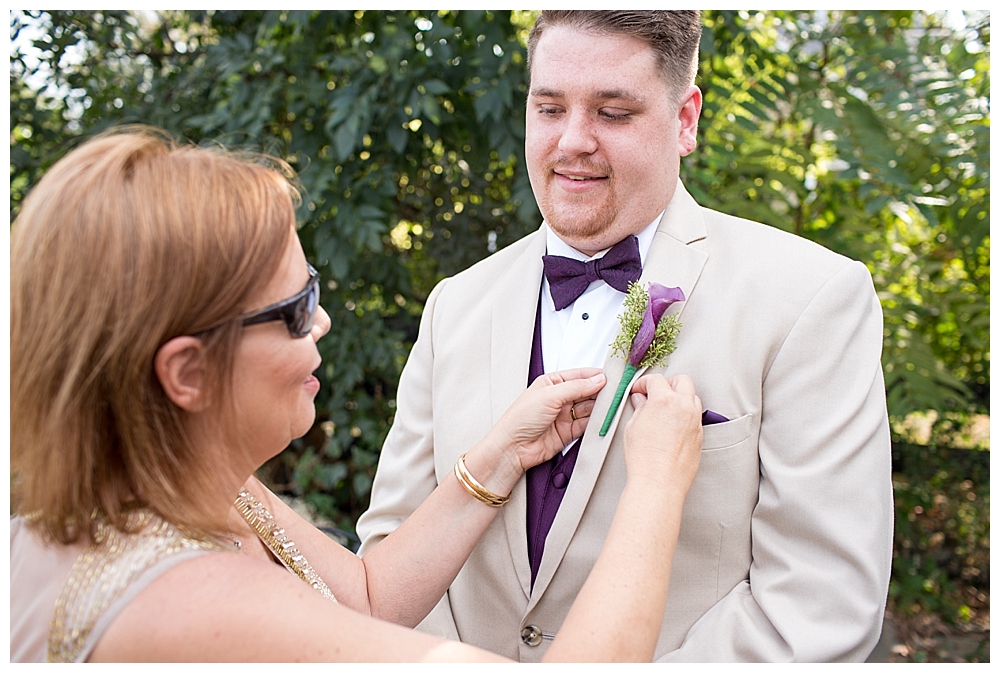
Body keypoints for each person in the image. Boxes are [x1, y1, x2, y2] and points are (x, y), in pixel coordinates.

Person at [9, 127, 707, 663]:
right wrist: (656, 485)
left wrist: (501, 455)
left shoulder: (184, 486)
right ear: (186, 374)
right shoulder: (184, 601)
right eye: (292, 310)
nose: (322, 320)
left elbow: (364, 598)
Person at [357, 9, 894, 663]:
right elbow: (387, 557)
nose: (571, 141)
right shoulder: (455, 305)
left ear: (685, 119)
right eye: (549, 108)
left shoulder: (810, 299)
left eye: (613, 113)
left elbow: (817, 608)